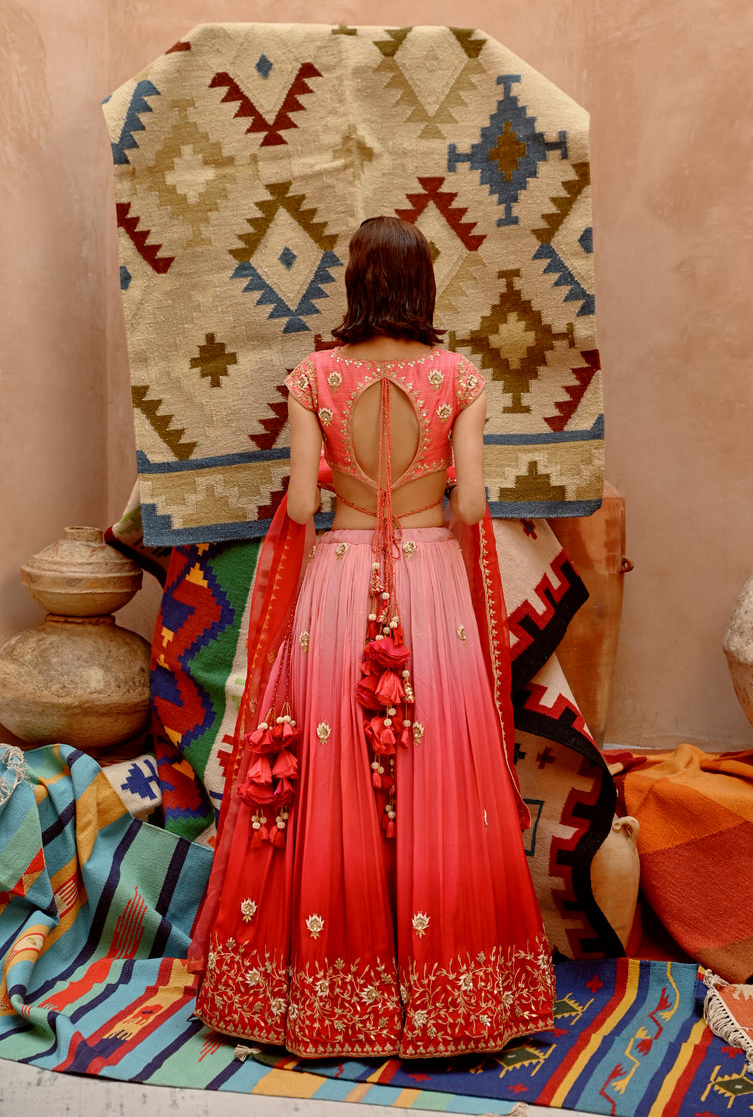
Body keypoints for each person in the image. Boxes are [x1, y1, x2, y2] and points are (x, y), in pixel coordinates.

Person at [189, 216, 555, 1059]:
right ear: (423, 284)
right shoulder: (458, 374)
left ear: (357, 285)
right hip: (431, 584)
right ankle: (452, 996)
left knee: (328, 772)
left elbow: (302, 510)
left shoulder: (315, 374)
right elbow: (469, 508)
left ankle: (322, 993)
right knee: (441, 768)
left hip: (340, 585)